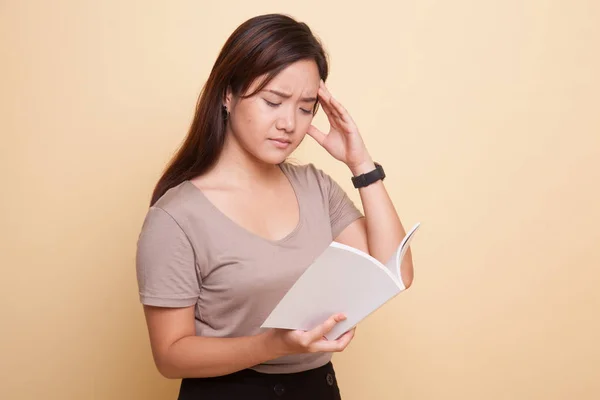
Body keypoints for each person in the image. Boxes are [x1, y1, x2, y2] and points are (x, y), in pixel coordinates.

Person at [135, 13, 414, 400]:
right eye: (273, 101)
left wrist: (361, 164)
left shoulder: (316, 187)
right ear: (227, 95)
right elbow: (170, 356)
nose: (289, 123)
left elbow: (395, 270)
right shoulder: (176, 217)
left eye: (305, 108)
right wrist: (275, 344)